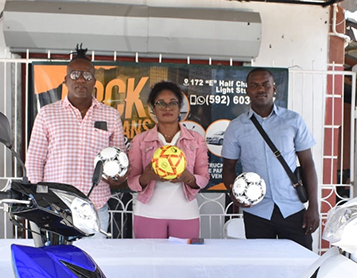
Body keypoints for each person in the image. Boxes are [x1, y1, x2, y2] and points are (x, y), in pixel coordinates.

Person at [25, 47, 126, 235]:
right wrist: (41, 199)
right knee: (56, 262)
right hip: (56, 208)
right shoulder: (48, 113)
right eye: (75, 74)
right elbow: (35, 160)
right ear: (65, 80)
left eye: (87, 75)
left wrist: (118, 176)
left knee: (93, 262)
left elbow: (120, 159)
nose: (81, 79)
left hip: (95, 208)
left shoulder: (110, 115)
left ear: (95, 81)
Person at [221, 68, 319, 250]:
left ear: (274, 89)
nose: (261, 89)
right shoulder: (236, 127)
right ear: (247, 91)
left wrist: (313, 207)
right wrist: (234, 193)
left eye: (266, 84)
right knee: (262, 268)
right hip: (257, 212)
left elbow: (307, 164)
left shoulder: (293, 120)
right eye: (254, 85)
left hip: (293, 209)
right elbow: (228, 168)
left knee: (301, 267)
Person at [127, 81, 210, 239]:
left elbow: (204, 178)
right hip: (148, 213)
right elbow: (132, 182)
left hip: (186, 213)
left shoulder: (196, 139)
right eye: (161, 103)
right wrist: (147, 176)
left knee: (184, 261)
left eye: (173, 103)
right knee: (150, 262)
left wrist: (189, 178)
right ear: (153, 108)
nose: (167, 108)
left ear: (180, 107)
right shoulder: (140, 140)